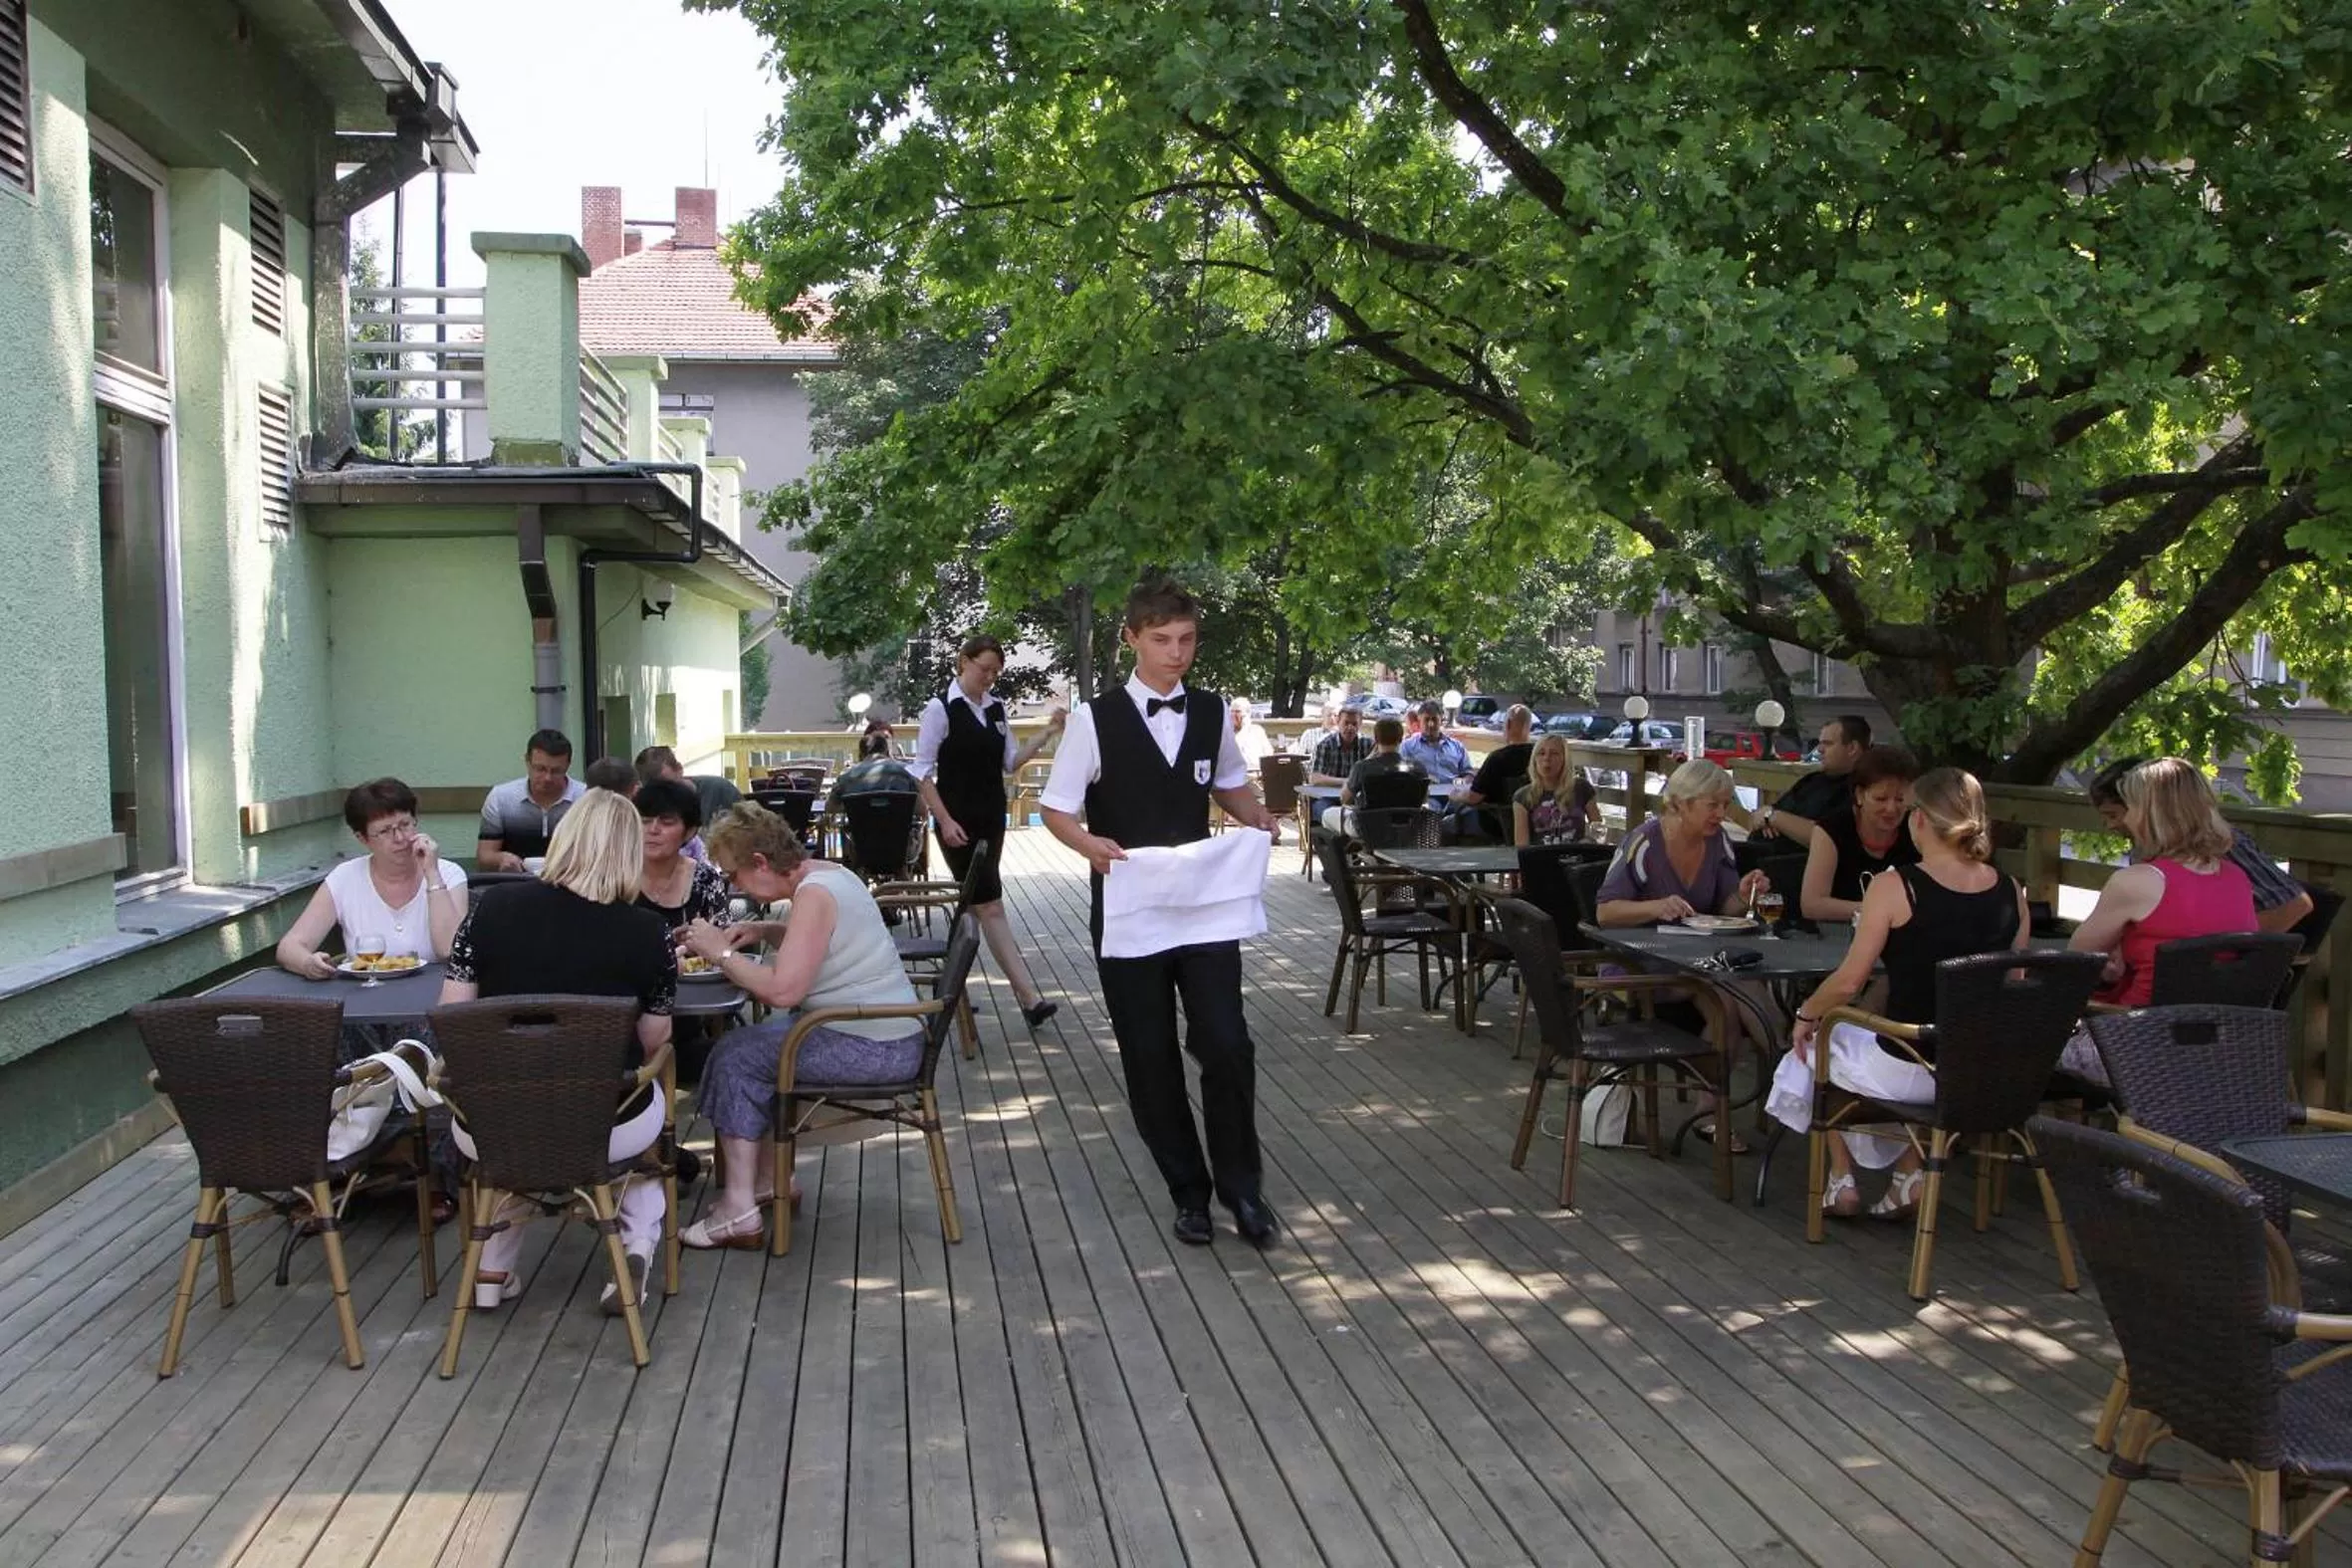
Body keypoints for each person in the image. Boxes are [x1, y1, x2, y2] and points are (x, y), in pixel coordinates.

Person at [1041, 578, 1281, 1247]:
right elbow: (1055, 808)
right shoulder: (1094, 719)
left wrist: (1255, 813)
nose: (1176, 654)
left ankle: (1243, 1189)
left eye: (1187, 640)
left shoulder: (1210, 712)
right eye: (1162, 640)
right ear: (1132, 639)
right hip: (1129, 906)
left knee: (1227, 1043)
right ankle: (1188, 1191)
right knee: (1149, 1055)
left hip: (1205, 903)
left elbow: (1228, 781)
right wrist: (1087, 844)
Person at [438, 789, 676, 1314]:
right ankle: (633, 1245)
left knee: (522, 1115)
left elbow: (454, 1015)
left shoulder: (491, 908)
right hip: (603, 1122)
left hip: (491, 1123)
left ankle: (491, 1269)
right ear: (628, 852)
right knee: (645, 1118)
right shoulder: (649, 931)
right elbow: (655, 1040)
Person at [1768, 768, 2031, 1218]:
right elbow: (2015, 982)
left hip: (1907, 1061)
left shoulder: (1896, 886)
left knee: (1816, 1045)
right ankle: (1907, 1177)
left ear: (1921, 821)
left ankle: (1842, 1178)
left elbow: (1850, 980)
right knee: (1860, 1047)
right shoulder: (2012, 891)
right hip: (1974, 1067)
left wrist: (1807, 1014)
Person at [675, 802, 927, 1249]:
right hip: (891, 1035)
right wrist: (765, 931)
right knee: (752, 1047)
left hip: (871, 1048)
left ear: (760, 862)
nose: (736, 886)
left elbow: (782, 991)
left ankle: (738, 1211)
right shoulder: (830, 874)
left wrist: (720, 954)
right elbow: (824, 943)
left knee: (734, 1057)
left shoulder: (813, 896)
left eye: (735, 876)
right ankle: (771, 1180)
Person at [1595, 759, 1771, 1148]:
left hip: (1698, 962)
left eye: (1725, 804)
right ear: (1680, 804)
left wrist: (1743, 895)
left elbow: (1725, 910)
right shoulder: (1644, 843)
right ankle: (1787, 1063)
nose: (1721, 814)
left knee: (1732, 992)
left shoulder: (1719, 842)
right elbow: (1605, 912)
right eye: (1712, 805)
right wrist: (1655, 907)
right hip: (1640, 966)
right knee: (1729, 994)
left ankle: (1715, 1106)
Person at [910, 633, 1067, 1029]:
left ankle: (950, 993)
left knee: (974, 909)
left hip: (991, 821)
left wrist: (1048, 732)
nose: (990, 678)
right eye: (985, 669)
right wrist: (944, 821)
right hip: (957, 825)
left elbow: (1011, 762)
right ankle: (1029, 998)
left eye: (996, 672)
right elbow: (922, 773)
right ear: (963, 662)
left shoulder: (996, 708)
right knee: (989, 905)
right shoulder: (940, 709)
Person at [2069, 757, 2257, 1009]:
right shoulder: (2238, 878)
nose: (2127, 819)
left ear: (2152, 814)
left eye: (2132, 807)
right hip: (2219, 1033)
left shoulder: (2137, 882)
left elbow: (2071, 964)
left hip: (2135, 1033)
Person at [2089, 756, 2313, 934]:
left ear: (2151, 807)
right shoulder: (2142, 853)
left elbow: (2295, 905)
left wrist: (2230, 954)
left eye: (2114, 815)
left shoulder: (2221, 846)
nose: (2111, 825)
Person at [278, 779, 471, 980]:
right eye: (385, 831)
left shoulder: (448, 874)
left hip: (436, 996)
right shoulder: (345, 878)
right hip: (365, 997)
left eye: (405, 825)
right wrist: (308, 964)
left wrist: (432, 874)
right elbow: (289, 947)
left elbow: (449, 950)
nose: (399, 838)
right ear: (363, 839)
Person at [1799, 746, 1924, 923]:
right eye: (1881, 799)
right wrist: (1882, 910)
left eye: (1900, 799)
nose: (1891, 809)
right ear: (1859, 795)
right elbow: (1812, 905)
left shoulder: (1919, 829)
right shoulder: (1831, 829)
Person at [1756, 715, 1873, 848]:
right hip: (1759, 851)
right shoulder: (1812, 780)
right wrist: (1767, 815)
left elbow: (1827, 837)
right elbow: (1761, 815)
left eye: (1827, 743)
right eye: (1820, 743)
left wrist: (1774, 818)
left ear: (1852, 748)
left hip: (1792, 863)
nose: (1820, 749)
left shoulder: (1862, 789)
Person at [633, 777, 732, 931]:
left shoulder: (705, 879)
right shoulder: (616, 876)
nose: (653, 830)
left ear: (690, 832)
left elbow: (723, 937)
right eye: (644, 821)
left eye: (667, 822)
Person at [477, 728, 584, 870]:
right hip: (514, 883)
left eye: (556, 771)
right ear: (527, 761)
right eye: (540, 769)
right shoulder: (501, 798)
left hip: (571, 884)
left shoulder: (585, 798)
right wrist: (501, 858)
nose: (547, 778)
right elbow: (484, 855)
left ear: (568, 766)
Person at [1447, 704, 1536, 840]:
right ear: (1529, 727)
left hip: (1496, 825)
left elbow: (1473, 797)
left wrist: (1456, 794)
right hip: (1535, 824)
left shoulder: (1498, 758)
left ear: (1508, 725)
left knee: (1443, 825)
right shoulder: (1539, 756)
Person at [1319, 717, 1416, 834]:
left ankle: (1345, 851)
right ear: (1401, 739)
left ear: (1375, 739)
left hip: (1368, 827)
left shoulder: (1363, 768)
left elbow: (1344, 799)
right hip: (1406, 826)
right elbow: (1423, 798)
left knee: (1327, 814)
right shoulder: (1417, 769)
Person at [1513, 734, 1600, 846]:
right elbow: (1521, 846)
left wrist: (1589, 842)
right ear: (1534, 760)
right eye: (1541, 753)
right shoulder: (1522, 796)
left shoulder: (1582, 787)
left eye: (1554, 753)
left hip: (1577, 857)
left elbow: (1598, 829)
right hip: (1541, 859)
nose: (1547, 758)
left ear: (1565, 759)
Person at [634, 744, 741, 831]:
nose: (665, 794)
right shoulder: (645, 810)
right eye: (655, 791)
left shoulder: (720, 791)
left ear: (679, 769)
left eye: (669, 785)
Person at [1400, 701, 1471, 788]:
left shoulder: (1457, 746)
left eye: (1434, 719)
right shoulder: (1408, 746)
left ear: (1441, 719)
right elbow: (1402, 775)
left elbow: (1468, 773)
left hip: (1454, 794)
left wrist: (1461, 783)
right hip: (1423, 795)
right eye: (1426, 720)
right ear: (1419, 720)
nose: (1431, 724)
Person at [1308, 706, 1372, 785]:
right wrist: (1348, 782)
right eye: (1346, 723)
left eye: (1354, 724)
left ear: (1360, 724)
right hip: (1329, 793)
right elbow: (1315, 778)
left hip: (1358, 794)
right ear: (1338, 722)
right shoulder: (1325, 744)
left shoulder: (1368, 745)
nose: (1350, 728)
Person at [1229, 698, 1275, 767]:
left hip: (1258, 773)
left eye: (1238, 711)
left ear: (1247, 714)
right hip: (1238, 774)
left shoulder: (1257, 730)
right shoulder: (1227, 733)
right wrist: (1244, 729)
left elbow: (1269, 754)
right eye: (1232, 711)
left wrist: (1245, 727)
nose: (1233, 715)